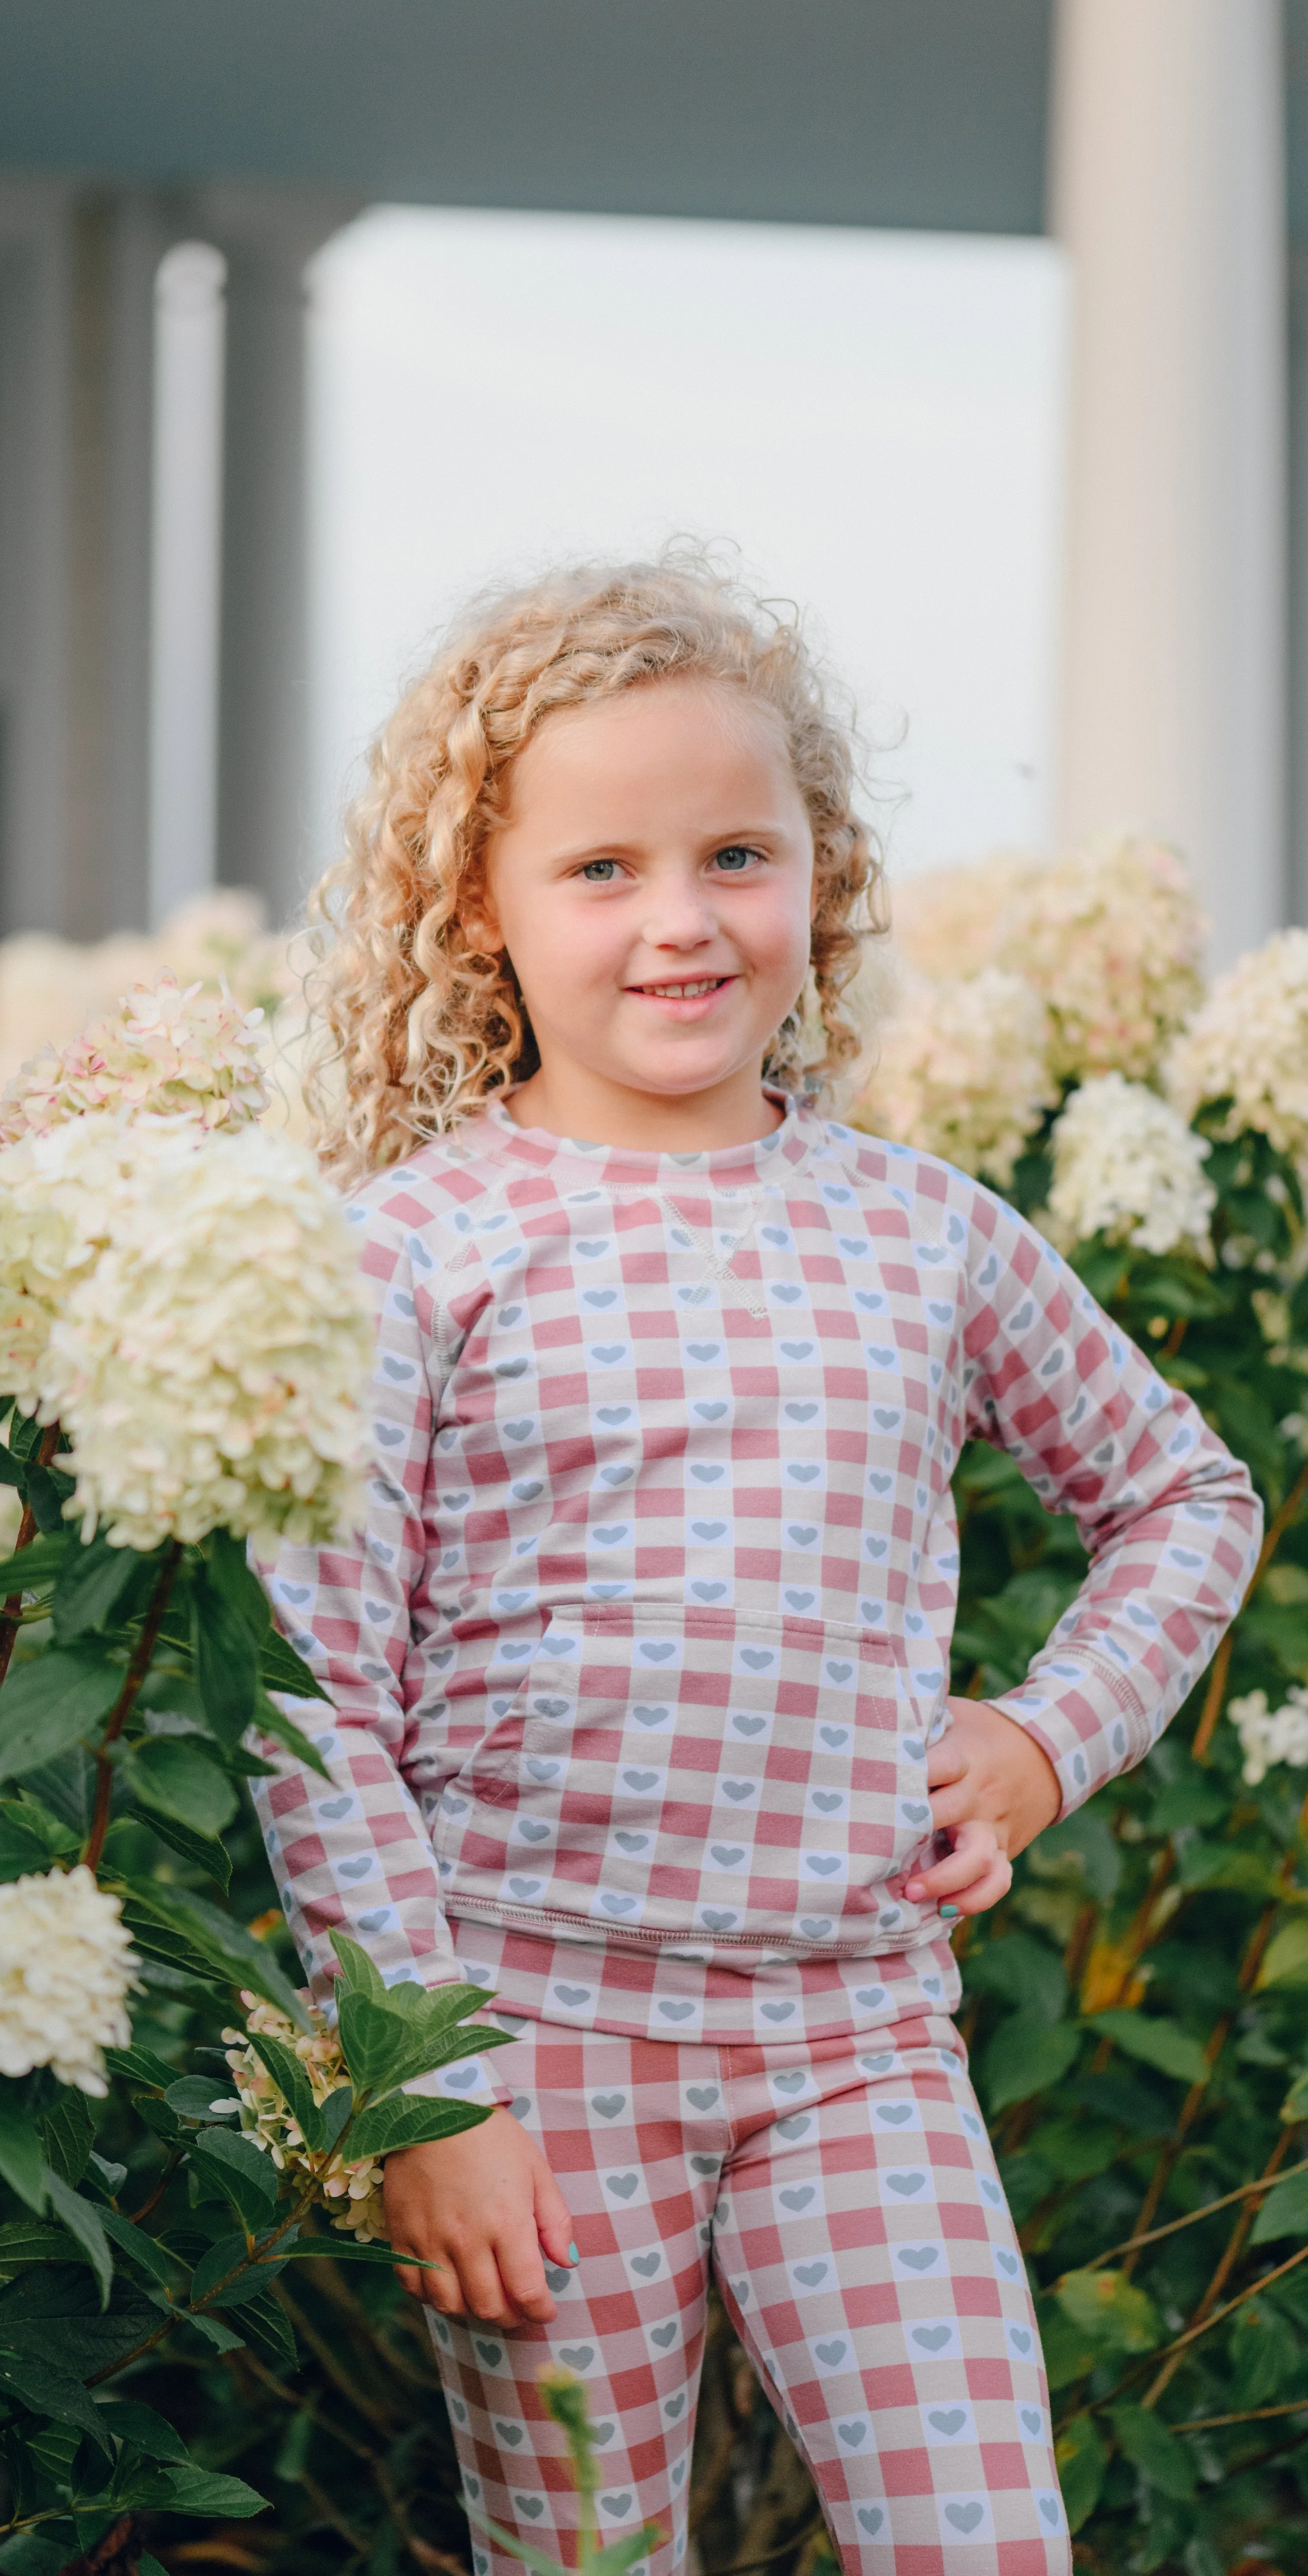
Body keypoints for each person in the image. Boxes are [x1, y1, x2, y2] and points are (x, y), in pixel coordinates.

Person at [251, 557, 1260, 2574]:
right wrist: (423, 2093)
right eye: (601, 869)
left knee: (982, 2539)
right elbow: (310, 1698)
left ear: (826, 870)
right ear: (484, 912)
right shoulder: (415, 1252)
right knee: (591, 2561)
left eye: (736, 852)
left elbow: (1187, 1494)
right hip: (536, 2051)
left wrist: (1047, 1738)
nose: (682, 921)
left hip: (859, 2041)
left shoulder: (926, 1231)